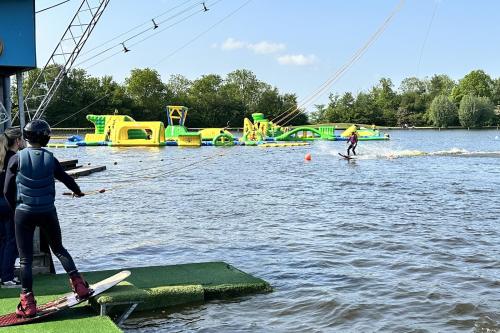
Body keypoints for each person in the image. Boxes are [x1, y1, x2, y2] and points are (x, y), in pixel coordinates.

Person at [3, 119, 91, 318]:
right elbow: (67, 179)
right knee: (59, 249)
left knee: (25, 259)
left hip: (23, 212)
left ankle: (28, 303)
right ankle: (80, 286)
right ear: (47, 138)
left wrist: (15, 207)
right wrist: (78, 192)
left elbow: (7, 189)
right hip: (47, 211)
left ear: (26, 137)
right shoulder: (51, 158)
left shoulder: (16, 159)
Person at [0, 127, 25, 288]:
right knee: (12, 241)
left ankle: (2, 275)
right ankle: (7, 276)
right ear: (17, 141)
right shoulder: (16, 158)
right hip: (8, 203)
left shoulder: (2, 158)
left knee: (2, 241)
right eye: (22, 139)